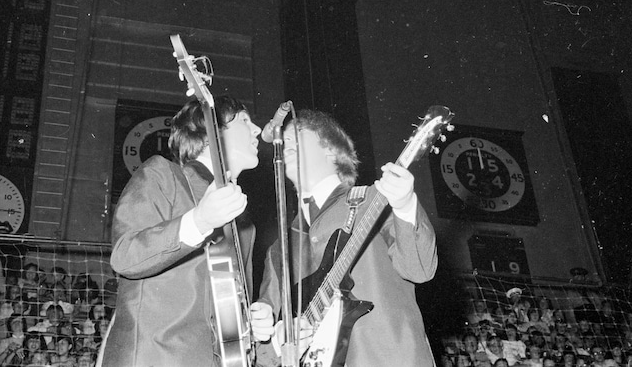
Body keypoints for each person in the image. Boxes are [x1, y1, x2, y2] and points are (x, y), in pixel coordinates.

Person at [100, 96, 273, 366]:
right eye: (244, 121)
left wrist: (254, 322)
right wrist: (199, 221)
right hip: (156, 358)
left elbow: (228, 313)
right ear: (210, 133)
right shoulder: (162, 175)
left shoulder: (244, 224)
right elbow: (125, 256)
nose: (258, 130)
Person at [259, 110, 439, 366]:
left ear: (330, 150)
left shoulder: (375, 198)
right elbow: (263, 355)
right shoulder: (280, 249)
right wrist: (277, 340)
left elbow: (419, 269)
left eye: (294, 136)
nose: (284, 143)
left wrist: (406, 203)